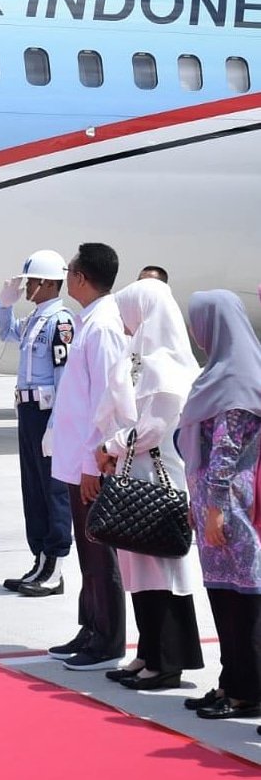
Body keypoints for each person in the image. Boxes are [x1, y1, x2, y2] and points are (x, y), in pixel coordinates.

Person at [93, 279, 203, 690]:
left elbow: (154, 428)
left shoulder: (165, 365)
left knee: (162, 571)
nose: (123, 322)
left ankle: (168, 662)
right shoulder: (144, 358)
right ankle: (148, 653)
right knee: (140, 571)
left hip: (156, 480)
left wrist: (111, 445)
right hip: (134, 474)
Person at [177, 290, 261, 722]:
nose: (195, 329)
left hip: (230, 508)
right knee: (222, 595)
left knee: (242, 598)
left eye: (200, 319)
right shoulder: (217, 373)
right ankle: (231, 680)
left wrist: (215, 508)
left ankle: (247, 689)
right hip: (211, 503)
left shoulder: (237, 378)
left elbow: (227, 450)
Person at [47, 242, 128, 670]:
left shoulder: (103, 328)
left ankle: (108, 640)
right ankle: (90, 627)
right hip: (78, 462)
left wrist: (92, 464)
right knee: (87, 553)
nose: (66, 278)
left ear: (80, 278)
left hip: (91, 466)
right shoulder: (88, 321)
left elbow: (107, 404)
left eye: (69, 271)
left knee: (100, 554)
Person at [0, 249, 74, 597]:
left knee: (53, 490)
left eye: (30, 283)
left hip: (47, 412)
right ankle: (40, 558)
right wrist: (4, 304)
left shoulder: (61, 321)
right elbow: (5, 332)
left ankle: (55, 566)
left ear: (46, 283)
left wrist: (57, 424)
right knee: (33, 488)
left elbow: (64, 377)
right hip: (27, 412)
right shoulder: (34, 319)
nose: (25, 288)